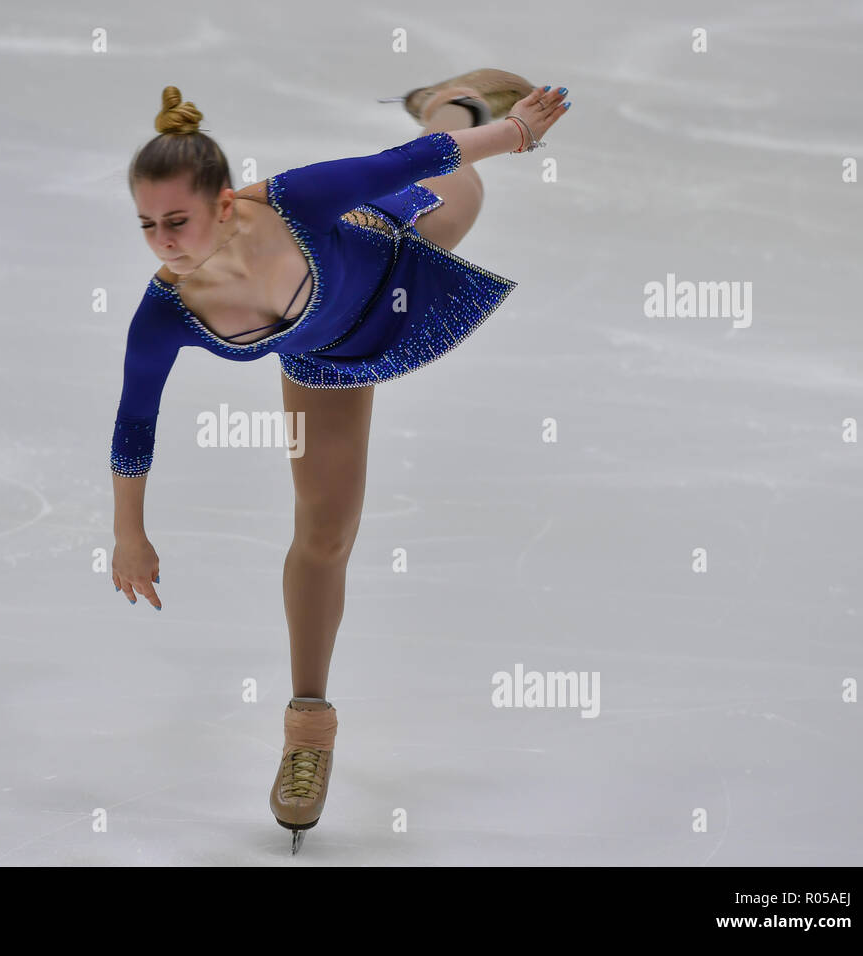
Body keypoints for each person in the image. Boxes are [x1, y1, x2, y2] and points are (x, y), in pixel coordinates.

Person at [109, 73, 571, 852]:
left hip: (405, 246)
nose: (163, 241)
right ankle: (307, 734)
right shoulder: (167, 311)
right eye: (148, 224)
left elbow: (410, 159)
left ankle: (452, 93)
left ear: (224, 205)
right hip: (326, 357)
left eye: (178, 220)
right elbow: (133, 422)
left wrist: (514, 134)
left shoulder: (291, 200)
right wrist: (130, 534)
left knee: (458, 179)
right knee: (325, 535)